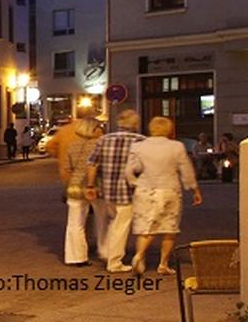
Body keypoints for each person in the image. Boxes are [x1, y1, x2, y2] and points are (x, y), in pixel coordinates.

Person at [125, 116, 201, 275]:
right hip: (169, 189)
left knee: (147, 227)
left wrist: (135, 183)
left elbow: (130, 169)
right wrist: (194, 189)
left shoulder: (138, 147)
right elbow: (185, 169)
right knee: (169, 228)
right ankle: (163, 264)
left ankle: (139, 256)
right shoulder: (176, 146)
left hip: (145, 190)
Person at [84, 109, 145, 273]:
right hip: (128, 191)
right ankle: (114, 261)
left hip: (107, 190)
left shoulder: (104, 139)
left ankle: (106, 251)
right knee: (121, 225)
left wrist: (90, 186)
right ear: (135, 124)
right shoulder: (141, 141)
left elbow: (91, 164)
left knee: (113, 222)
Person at [61, 117, 104, 266]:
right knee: (102, 220)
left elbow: (67, 169)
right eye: (99, 127)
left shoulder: (72, 146)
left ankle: (75, 257)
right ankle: (105, 251)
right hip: (95, 186)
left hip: (75, 186)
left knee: (75, 223)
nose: (101, 130)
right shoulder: (99, 145)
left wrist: (68, 184)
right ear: (93, 129)